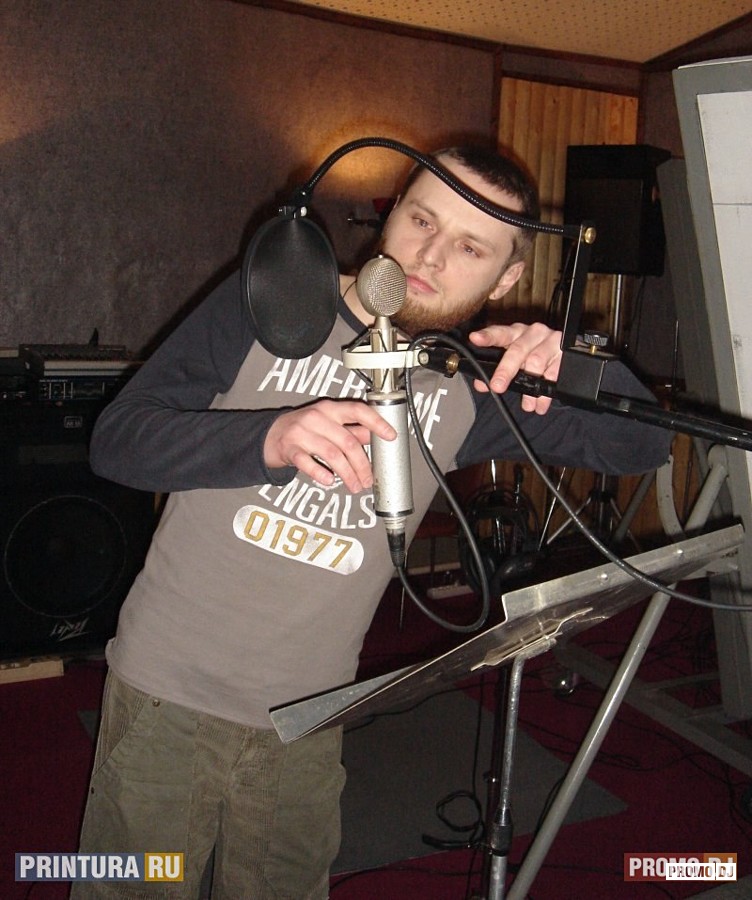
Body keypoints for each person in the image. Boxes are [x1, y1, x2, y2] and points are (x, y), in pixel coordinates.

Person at [72, 144, 671, 898]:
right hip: (166, 695)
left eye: (471, 248)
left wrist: (578, 358)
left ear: (505, 279)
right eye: (422, 220)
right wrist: (268, 438)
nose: (431, 256)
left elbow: (643, 444)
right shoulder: (276, 297)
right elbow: (118, 441)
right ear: (391, 217)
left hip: (309, 720)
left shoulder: (472, 382)